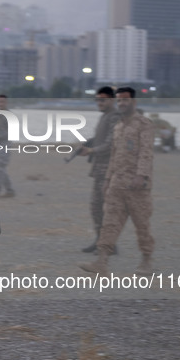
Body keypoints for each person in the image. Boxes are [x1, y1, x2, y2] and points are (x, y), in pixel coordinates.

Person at [79, 87, 155, 276]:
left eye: (125, 100)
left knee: (142, 224)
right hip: (116, 183)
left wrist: (141, 175)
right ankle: (102, 262)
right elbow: (114, 155)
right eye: (119, 101)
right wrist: (107, 179)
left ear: (134, 102)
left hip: (137, 185)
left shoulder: (144, 124)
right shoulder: (118, 126)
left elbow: (147, 152)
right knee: (110, 223)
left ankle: (146, 261)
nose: (122, 104)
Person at [78, 86, 120, 253]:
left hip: (109, 169)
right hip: (100, 168)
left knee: (106, 207)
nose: (99, 103)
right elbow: (101, 137)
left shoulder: (115, 116)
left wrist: (92, 150)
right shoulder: (106, 116)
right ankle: (100, 240)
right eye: (97, 100)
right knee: (96, 206)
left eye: (103, 100)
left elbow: (111, 142)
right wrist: (88, 143)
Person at [0, 94, 15, 198]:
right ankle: (9, 190)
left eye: (2, 102)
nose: (0, 103)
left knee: (0, 166)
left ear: (6, 102)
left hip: (5, 144)